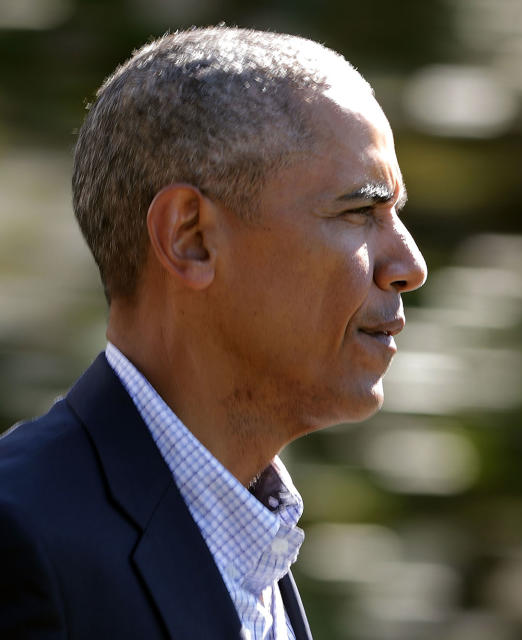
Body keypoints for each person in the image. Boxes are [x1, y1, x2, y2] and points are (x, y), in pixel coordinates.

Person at [0, 25, 427, 640]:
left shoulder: (251, 547)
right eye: (361, 210)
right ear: (191, 238)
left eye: (397, 214)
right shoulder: (21, 544)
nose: (409, 265)